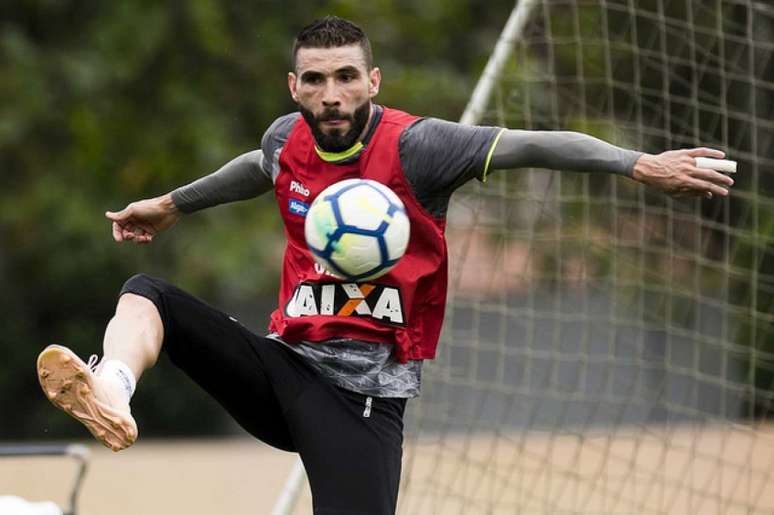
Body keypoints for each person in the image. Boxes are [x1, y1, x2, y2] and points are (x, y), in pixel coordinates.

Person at [36, 16, 734, 515]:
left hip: (361, 402)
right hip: (285, 369)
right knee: (147, 290)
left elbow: (533, 143)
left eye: (346, 77)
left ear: (373, 79)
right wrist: (170, 203)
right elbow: (259, 167)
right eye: (315, 80)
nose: (332, 93)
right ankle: (114, 388)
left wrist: (637, 163)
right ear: (294, 86)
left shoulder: (421, 148)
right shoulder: (286, 139)